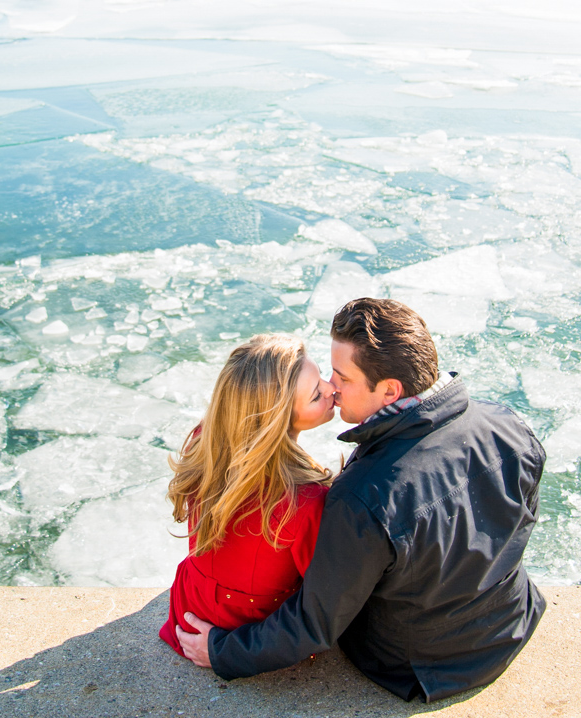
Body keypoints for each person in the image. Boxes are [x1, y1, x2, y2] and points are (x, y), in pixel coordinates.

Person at [175, 297, 547, 703]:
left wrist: (222, 651)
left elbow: (314, 625)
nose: (332, 388)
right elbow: (515, 530)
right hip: (510, 623)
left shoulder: (364, 496)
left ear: (389, 390)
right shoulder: (510, 426)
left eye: (341, 376)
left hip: (421, 666)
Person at [158, 333, 338, 657]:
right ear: (278, 421)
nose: (330, 389)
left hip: (189, 608)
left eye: (321, 376)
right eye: (315, 395)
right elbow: (325, 598)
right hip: (247, 632)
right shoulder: (306, 500)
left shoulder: (205, 442)